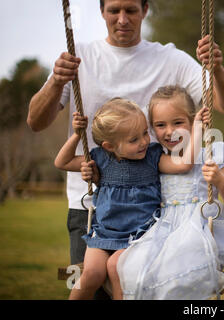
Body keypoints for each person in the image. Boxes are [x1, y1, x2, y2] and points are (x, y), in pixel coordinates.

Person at [26, 0, 224, 297]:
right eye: (114, 10)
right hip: (90, 206)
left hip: (150, 215)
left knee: (139, 291)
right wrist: (55, 81)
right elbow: (35, 122)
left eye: (130, 9)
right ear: (101, 12)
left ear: (145, 10)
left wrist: (216, 70)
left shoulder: (172, 60)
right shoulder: (80, 57)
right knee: (90, 284)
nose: (122, 18)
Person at [85, 85, 224, 299]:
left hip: (194, 233)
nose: (169, 131)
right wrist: (93, 175)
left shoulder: (212, 154)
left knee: (171, 277)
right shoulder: (153, 159)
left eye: (178, 122)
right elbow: (118, 177)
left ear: (193, 120)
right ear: (151, 128)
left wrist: (220, 181)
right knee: (123, 267)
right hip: (157, 233)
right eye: (160, 125)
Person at [54, 97, 207, 299]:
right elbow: (62, 162)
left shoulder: (153, 157)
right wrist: (76, 135)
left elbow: (184, 165)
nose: (144, 141)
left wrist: (197, 128)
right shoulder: (101, 158)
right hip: (103, 234)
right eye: (134, 140)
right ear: (110, 146)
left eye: (145, 133)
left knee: (117, 269)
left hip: (138, 237)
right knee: (91, 274)